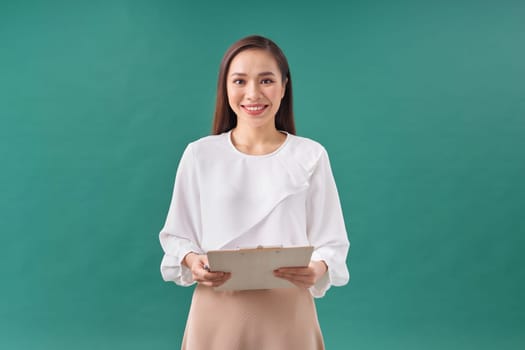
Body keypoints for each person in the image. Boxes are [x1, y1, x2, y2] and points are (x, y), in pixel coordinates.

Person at [159, 34, 350, 350]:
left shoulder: (310, 155)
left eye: (266, 80)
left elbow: (331, 240)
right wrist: (193, 261)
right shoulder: (200, 154)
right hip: (216, 309)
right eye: (239, 81)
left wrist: (317, 268)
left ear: (284, 86)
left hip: (288, 309)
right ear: (225, 87)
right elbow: (177, 235)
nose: (253, 93)